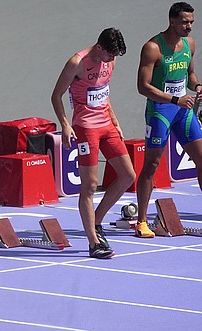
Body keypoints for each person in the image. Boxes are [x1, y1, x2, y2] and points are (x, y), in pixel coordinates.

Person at [51, 28, 135, 259]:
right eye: (109, 55)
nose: (111, 60)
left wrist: (115, 121)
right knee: (89, 185)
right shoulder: (77, 62)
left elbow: (103, 93)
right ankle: (93, 243)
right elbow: (56, 95)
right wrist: (65, 124)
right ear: (99, 48)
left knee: (128, 175)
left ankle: (95, 221)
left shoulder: (111, 60)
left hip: (106, 124)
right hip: (85, 128)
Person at [136, 2, 202, 238]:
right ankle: (141, 221)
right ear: (172, 20)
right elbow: (143, 87)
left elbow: (190, 74)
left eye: (191, 22)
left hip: (183, 111)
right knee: (151, 165)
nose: (189, 27)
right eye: (185, 22)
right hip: (160, 112)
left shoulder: (189, 44)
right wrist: (175, 100)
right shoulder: (153, 48)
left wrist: (198, 86)